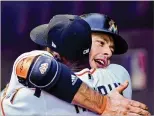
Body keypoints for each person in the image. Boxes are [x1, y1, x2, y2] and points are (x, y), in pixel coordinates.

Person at [0, 14, 150, 116]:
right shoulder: (119, 76)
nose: (108, 53)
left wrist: (104, 104)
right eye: (101, 43)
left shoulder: (36, 96)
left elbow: (40, 69)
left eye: (111, 48)